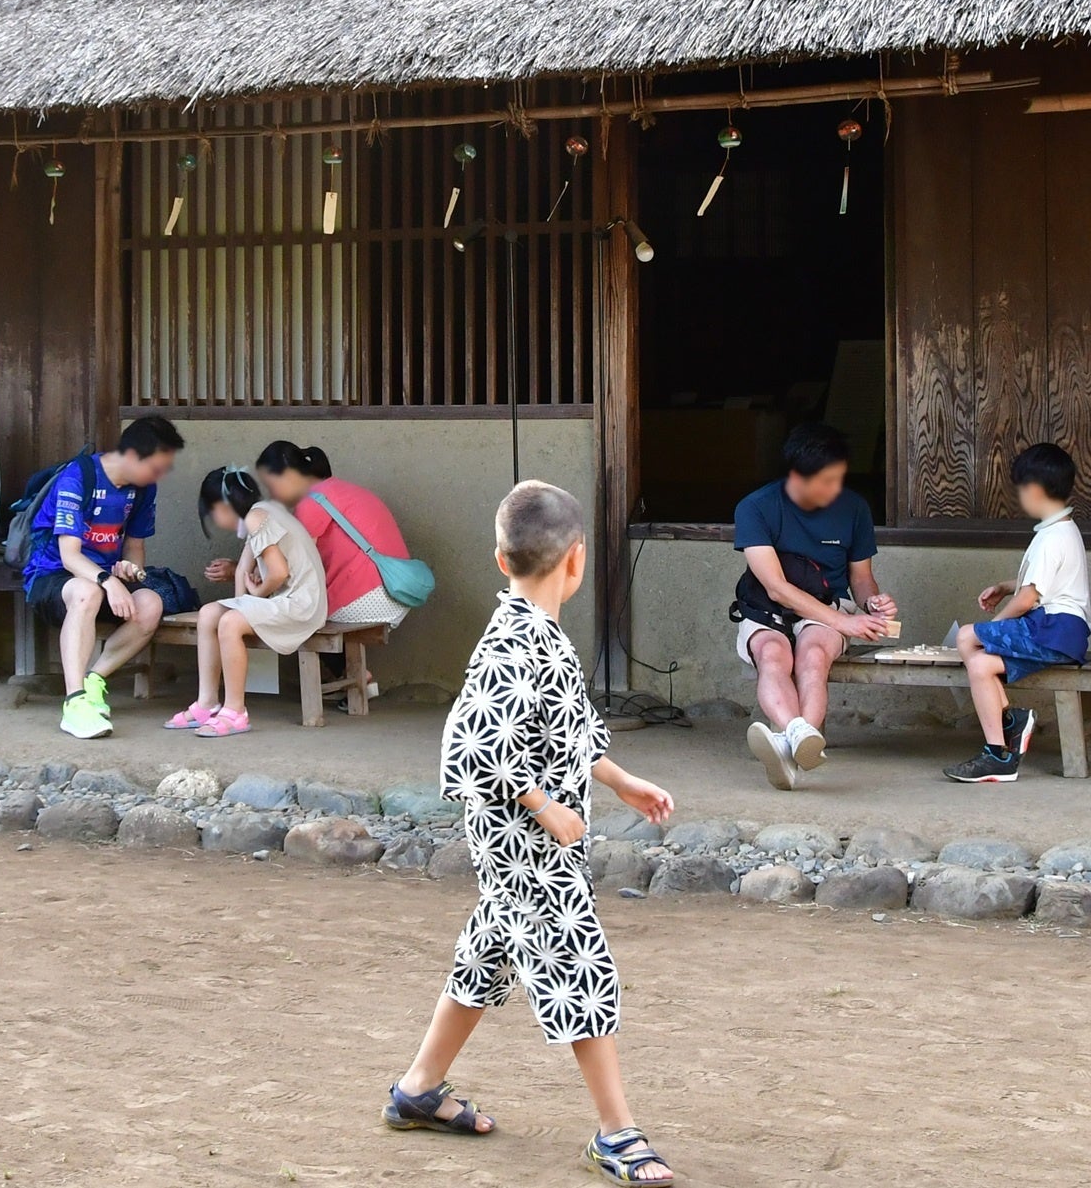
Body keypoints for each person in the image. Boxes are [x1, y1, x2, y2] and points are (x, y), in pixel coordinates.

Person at [385, 481, 676, 1185]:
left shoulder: (536, 634)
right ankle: (617, 1133)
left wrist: (618, 779)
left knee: (486, 952)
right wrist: (542, 803)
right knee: (579, 966)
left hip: (527, 843)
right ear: (577, 560)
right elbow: (472, 739)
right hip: (526, 845)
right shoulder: (513, 640)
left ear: (498, 558)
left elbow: (566, 731)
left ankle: (419, 1088)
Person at [729, 422, 897, 792]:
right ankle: (800, 736)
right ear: (797, 476)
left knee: (813, 654)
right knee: (772, 653)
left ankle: (789, 743)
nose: (835, 489)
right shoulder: (755, 507)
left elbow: (862, 578)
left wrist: (872, 602)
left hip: (828, 604)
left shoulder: (854, 508)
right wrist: (844, 623)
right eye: (826, 480)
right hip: (766, 608)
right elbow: (776, 588)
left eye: (839, 479)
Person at [21, 414, 184, 739]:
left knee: (150, 603)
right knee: (87, 592)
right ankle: (75, 702)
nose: (160, 476)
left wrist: (130, 572)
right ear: (134, 455)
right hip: (52, 577)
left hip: (102, 578)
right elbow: (69, 556)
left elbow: (135, 546)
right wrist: (108, 582)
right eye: (156, 468)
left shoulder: (142, 489)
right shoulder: (78, 476)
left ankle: (94, 681)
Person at [944, 443, 1091, 784]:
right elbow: (1037, 584)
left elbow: (1028, 600)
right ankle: (1003, 740)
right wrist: (1004, 585)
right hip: (1060, 632)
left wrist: (993, 627)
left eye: (1021, 489)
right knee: (980, 663)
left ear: (1035, 490)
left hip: (1054, 628)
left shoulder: (1053, 536)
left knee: (968, 636)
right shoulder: (1061, 529)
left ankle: (1004, 737)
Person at [166, 465, 327, 737]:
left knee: (229, 622)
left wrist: (255, 595)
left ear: (223, 507)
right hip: (289, 599)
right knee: (209, 613)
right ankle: (206, 703)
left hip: (301, 603)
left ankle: (235, 712)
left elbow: (278, 573)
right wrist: (244, 600)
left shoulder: (256, 518)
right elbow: (243, 569)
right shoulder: (260, 511)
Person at [244, 439, 413, 634]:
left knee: (297, 620)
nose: (273, 495)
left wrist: (245, 572)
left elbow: (294, 570)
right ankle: (350, 667)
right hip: (396, 590)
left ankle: (340, 666)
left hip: (367, 596)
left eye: (272, 485)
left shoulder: (310, 503)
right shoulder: (341, 489)